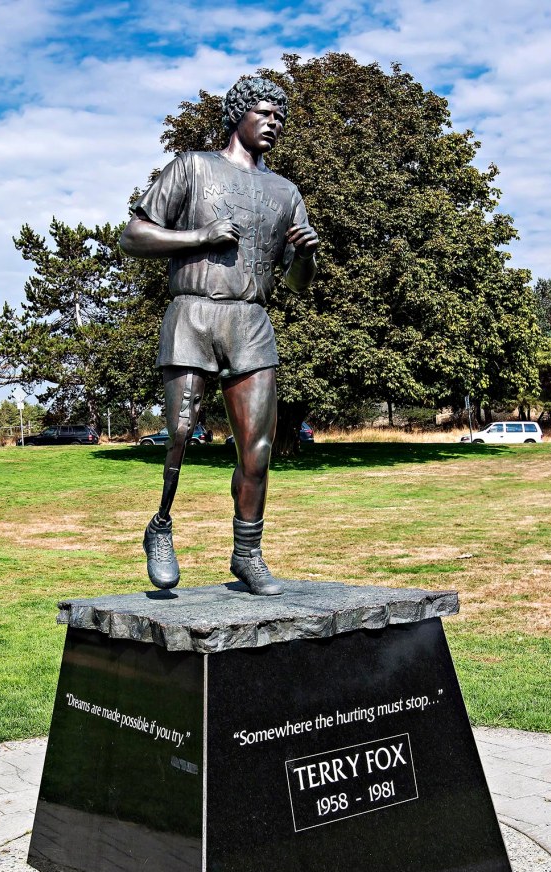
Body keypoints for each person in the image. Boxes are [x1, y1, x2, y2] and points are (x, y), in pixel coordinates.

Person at [120, 76, 318, 595]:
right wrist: (199, 236)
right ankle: (160, 525)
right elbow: (134, 234)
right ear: (238, 114)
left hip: (251, 321)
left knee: (258, 448)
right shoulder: (192, 167)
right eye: (265, 112)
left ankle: (247, 553)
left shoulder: (285, 192)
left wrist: (306, 255)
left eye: (281, 116)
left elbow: (297, 284)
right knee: (182, 431)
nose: (275, 122)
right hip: (193, 313)